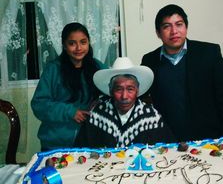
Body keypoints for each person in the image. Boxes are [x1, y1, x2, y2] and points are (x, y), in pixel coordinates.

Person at [141, 4, 223, 142]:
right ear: (158, 33)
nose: (174, 31)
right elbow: (139, 99)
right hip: (167, 140)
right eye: (166, 26)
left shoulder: (209, 53)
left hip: (208, 139)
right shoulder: (149, 60)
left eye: (179, 24)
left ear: (186, 27)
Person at [31, 22, 107, 151]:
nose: (78, 48)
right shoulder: (53, 69)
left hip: (91, 141)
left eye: (83, 42)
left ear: (89, 43)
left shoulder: (98, 67)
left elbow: (112, 93)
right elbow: (39, 104)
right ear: (64, 46)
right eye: (72, 43)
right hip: (57, 143)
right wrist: (70, 112)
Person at [75, 57, 176, 148]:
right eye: (118, 89)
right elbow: (82, 151)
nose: (124, 96)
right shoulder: (97, 114)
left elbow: (167, 150)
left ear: (137, 91)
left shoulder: (151, 116)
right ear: (110, 91)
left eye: (130, 89)